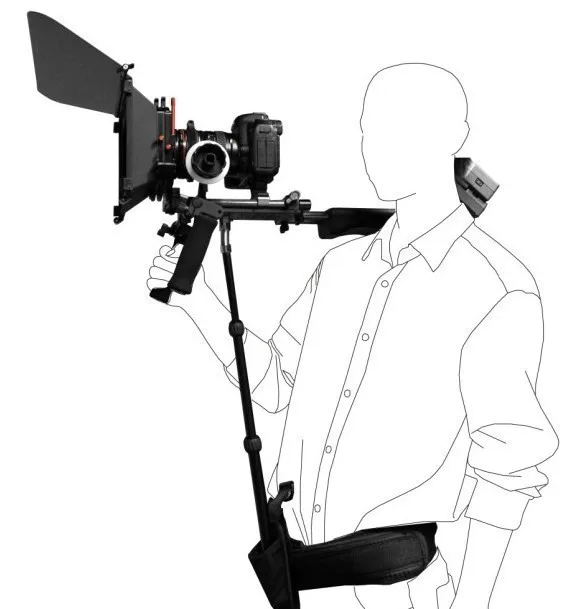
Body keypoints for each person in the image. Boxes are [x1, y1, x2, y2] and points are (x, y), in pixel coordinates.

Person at [147, 63, 558, 609]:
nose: (378, 146)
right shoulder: (340, 268)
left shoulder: (496, 288)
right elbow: (276, 385)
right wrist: (201, 305)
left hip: (399, 589)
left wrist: (472, 600)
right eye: (370, 128)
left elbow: (509, 464)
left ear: (455, 136)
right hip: (297, 578)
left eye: (403, 126)